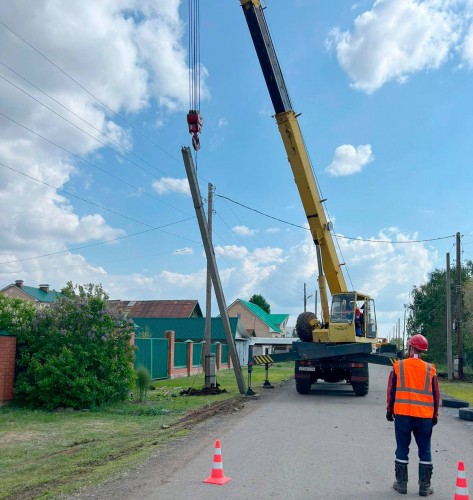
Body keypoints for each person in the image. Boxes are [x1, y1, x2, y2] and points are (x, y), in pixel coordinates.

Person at [386, 334, 440, 496]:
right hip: (424, 416)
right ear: (423, 351)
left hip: (403, 415)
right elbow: (436, 395)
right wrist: (434, 414)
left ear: (410, 347)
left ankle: (401, 484)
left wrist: (389, 411)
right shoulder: (430, 369)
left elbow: (391, 391)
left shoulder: (398, 366)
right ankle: (424, 487)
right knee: (425, 449)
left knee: (402, 447)